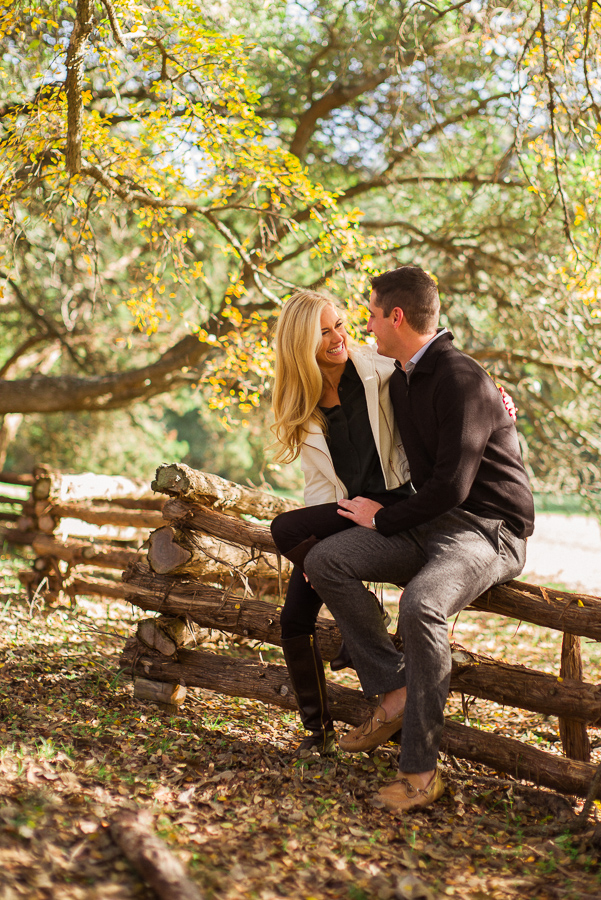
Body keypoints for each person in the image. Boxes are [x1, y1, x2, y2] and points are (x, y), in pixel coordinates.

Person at [303, 266, 534, 812]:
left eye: (373, 315)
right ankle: (393, 687)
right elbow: (346, 368)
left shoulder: (460, 379)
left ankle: (422, 772)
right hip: (430, 520)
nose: (366, 326)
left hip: (488, 530)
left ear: (397, 317)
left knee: (423, 604)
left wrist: (382, 518)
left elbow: (453, 487)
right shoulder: (404, 373)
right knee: (326, 559)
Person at [270, 290, 412, 756]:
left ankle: (366, 627)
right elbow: (318, 485)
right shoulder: (303, 398)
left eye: (339, 325)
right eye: (324, 332)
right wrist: (317, 550)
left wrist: (492, 395)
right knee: (293, 619)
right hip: (344, 513)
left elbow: (435, 376)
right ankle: (317, 731)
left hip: (390, 500)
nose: (338, 338)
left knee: (283, 531)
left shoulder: (377, 369)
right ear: (300, 343)